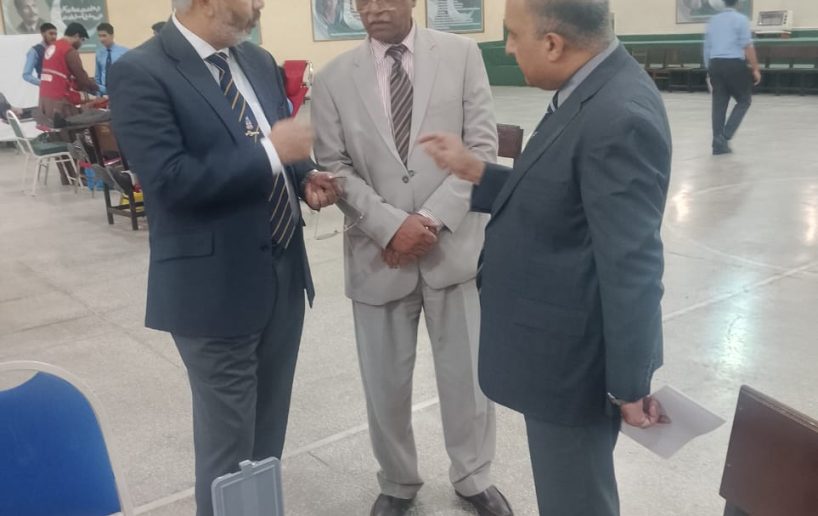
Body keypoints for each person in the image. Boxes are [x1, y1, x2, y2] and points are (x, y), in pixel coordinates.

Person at [420, 0, 672, 515]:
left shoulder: (618, 115)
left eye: (514, 35)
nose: (509, 47)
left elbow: (632, 264)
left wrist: (629, 385)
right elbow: (564, 195)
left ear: (553, 44)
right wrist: (476, 170)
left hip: (573, 365)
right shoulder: (589, 88)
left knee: (575, 501)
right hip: (554, 353)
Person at [108, 0, 341, 515]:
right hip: (212, 288)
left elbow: (275, 141)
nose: (260, 4)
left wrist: (305, 176)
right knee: (229, 444)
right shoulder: (141, 72)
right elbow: (170, 182)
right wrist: (273, 154)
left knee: (268, 432)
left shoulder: (256, 60)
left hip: (283, 271)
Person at [312, 1, 512, 515]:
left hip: (454, 247)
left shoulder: (461, 55)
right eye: (363, 0)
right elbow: (334, 166)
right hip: (378, 253)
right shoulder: (333, 78)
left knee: (467, 378)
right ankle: (398, 481)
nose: (375, 8)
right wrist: (390, 226)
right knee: (384, 384)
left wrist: (430, 219)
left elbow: (482, 148)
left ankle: (472, 476)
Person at [704, 0, 761, 155]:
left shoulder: (713, 21)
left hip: (715, 64)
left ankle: (717, 143)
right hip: (734, 64)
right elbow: (747, 46)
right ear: (738, 3)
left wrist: (709, 69)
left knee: (719, 104)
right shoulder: (741, 19)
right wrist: (755, 68)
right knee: (744, 100)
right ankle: (724, 137)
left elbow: (707, 47)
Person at [39, 22, 99, 122]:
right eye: (82, 40)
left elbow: (60, 75)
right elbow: (82, 78)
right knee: (92, 119)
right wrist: (96, 87)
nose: (81, 44)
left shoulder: (52, 47)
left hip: (44, 101)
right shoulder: (69, 51)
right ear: (76, 36)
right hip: (58, 103)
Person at [95, 23, 128, 96]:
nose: (101, 39)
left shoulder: (124, 52)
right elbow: (98, 76)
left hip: (120, 92)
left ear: (112, 35)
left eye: (104, 35)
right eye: (99, 36)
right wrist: (98, 95)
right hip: (104, 93)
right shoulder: (99, 53)